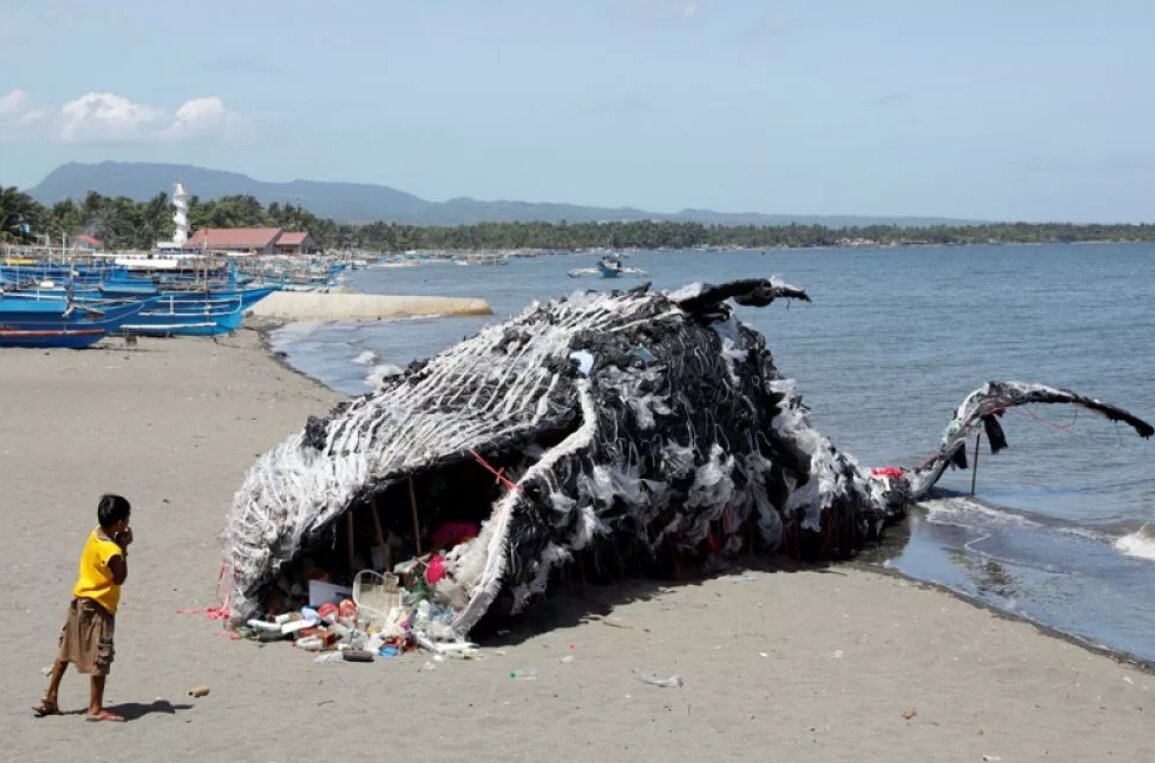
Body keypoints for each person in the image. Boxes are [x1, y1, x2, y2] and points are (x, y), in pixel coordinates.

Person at [33, 494, 133, 722]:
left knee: (67, 648)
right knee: (101, 654)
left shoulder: (95, 533)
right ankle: (95, 708)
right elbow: (119, 578)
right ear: (119, 523)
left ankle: (50, 695)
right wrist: (124, 547)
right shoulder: (113, 552)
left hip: (79, 601)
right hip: (99, 606)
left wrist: (117, 541)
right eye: (126, 519)